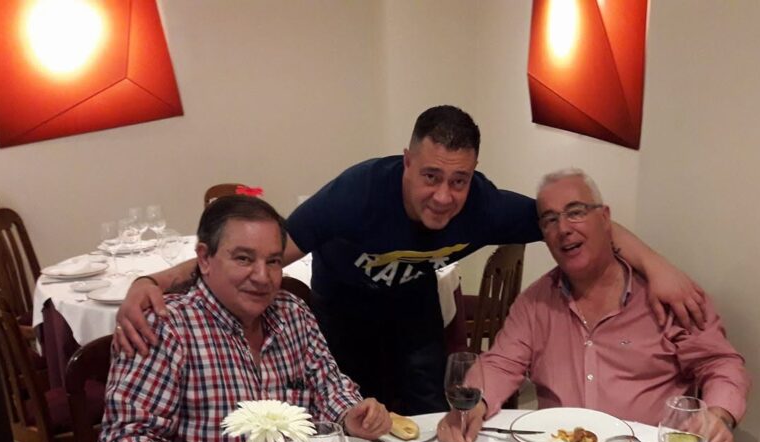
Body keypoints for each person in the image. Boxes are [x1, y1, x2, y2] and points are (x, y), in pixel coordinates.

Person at [113, 106, 708, 415]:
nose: (444, 196)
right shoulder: (356, 194)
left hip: (417, 325)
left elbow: (579, 223)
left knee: (430, 426)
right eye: (430, 176)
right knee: (350, 433)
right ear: (406, 162)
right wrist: (156, 279)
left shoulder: (487, 206)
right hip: (342, 323)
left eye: (458, 180)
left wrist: (658, 267)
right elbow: (264, 258)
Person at [99, 195, 390, 442]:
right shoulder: (166, 327)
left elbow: (329, 385)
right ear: (204, 259)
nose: (262, 276)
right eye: (243, 259)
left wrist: (350, 413)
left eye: (273, 261)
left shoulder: (292, 314)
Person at [437, 169, 750, 442]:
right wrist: (476, 401)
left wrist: (717, 415)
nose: (563, 229)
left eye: (576, 212)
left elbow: (720, 363)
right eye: (550, 220)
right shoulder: (535, 303)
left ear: (605, 218)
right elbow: (501, 363)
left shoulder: (667, 297)